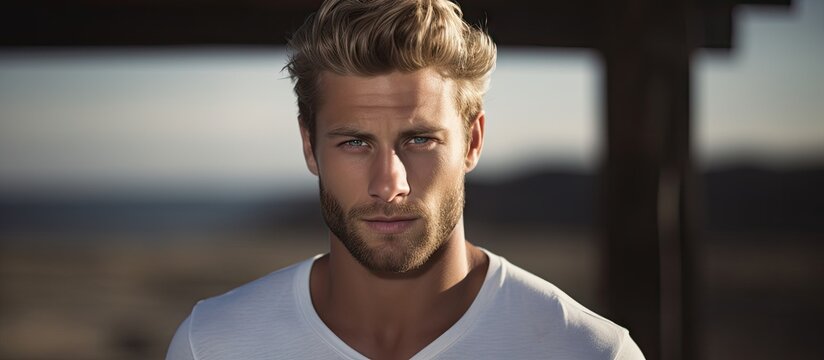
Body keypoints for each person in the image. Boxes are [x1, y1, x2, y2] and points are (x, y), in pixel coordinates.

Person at [166, 0, 644, 359]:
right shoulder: (211, 346)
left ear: (473, 142)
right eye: (354, 142)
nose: (389, 183)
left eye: (419, 140)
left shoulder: (590, 353)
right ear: (309, 146)